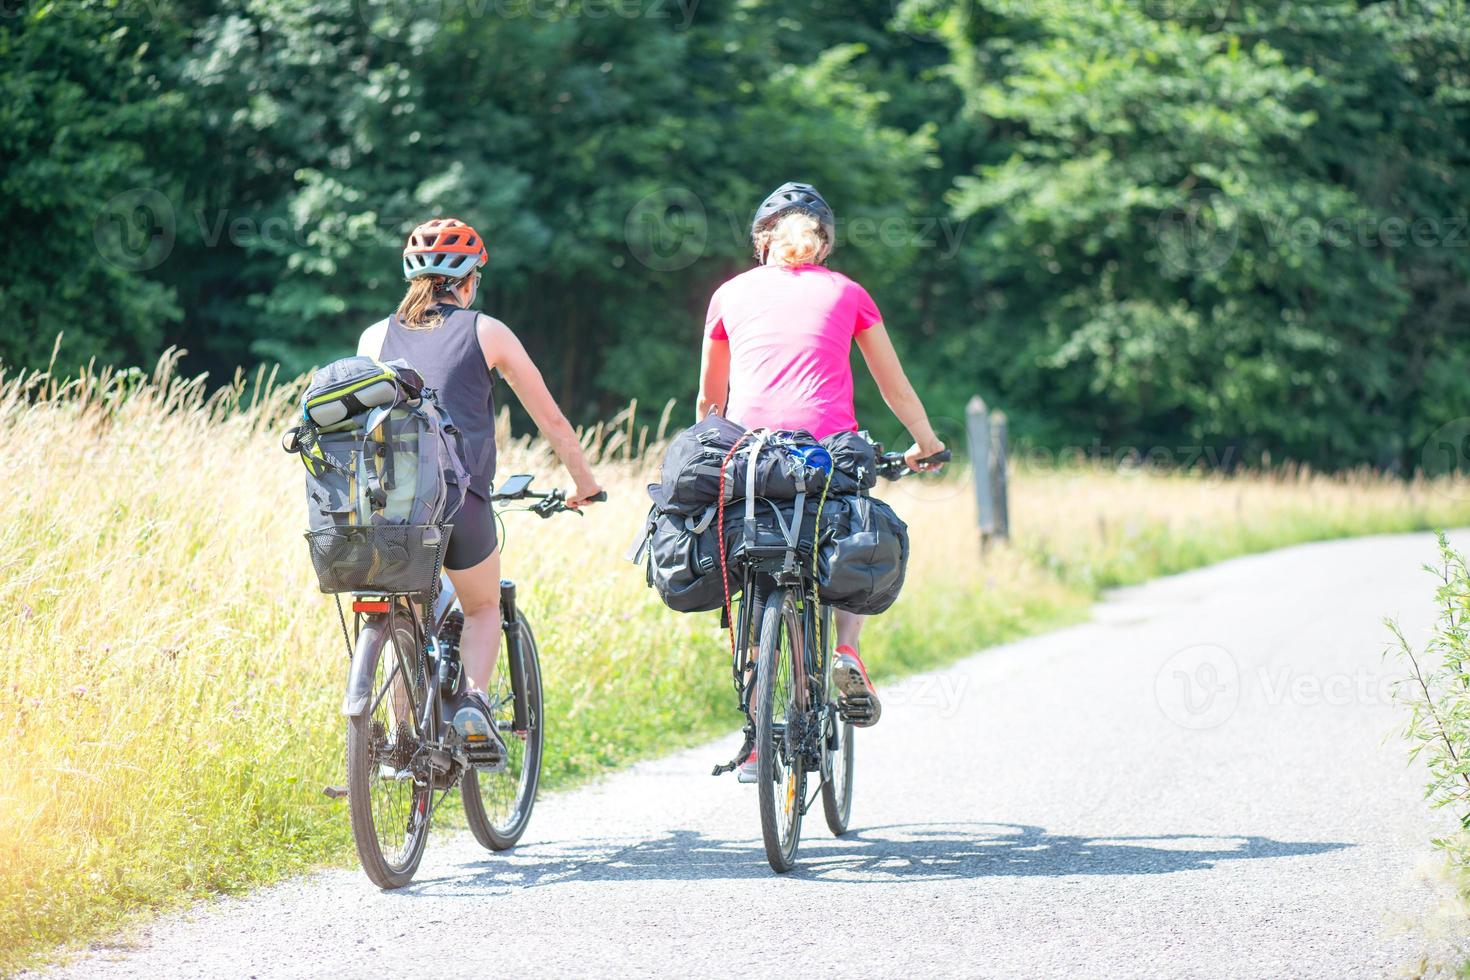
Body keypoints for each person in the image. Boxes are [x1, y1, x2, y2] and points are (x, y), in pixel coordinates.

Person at [696, 182, 945, 779]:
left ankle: (757, 737)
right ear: (824, 244)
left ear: (763, 242)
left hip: (751, 455)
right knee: (850, 534)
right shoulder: (849, 292)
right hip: (827, 453)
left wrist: (705, 453)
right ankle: (846, 649)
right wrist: (927, 443)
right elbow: (892, 385)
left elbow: (710, 397)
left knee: (749, 571)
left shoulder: (728, 293)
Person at [358, 217, 603, 759]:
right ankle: (473, 702)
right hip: (461, 502)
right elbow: (553, 421)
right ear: (469, 280)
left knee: (409, 617)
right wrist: (584, 483)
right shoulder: (485, 330)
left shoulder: (375, 337)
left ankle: (402, 738)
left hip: (392, 507)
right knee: (482, 608)